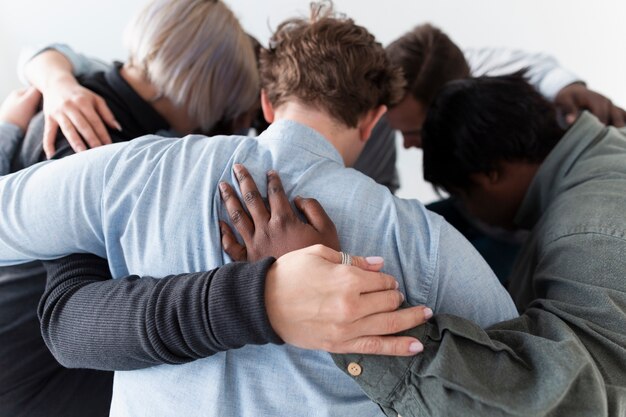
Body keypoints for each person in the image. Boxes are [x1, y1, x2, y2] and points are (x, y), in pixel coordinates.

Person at [0, 3, 518, 416]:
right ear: (373, 119)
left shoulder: (136, 168)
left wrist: (12, 124)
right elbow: (522, 382)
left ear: (266, 102)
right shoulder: (424, 240)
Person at [0, 87, 428, 416]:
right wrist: (264, 297)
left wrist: (44, 83)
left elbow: (66, 323)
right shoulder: (415, 233)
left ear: (265, 103)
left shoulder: (115, 158)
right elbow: (67, 326)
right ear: (373, 120)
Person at [331, 74, 626, 416]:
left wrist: (344, 303)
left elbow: (576, 401)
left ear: (490, 175)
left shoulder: (586, 230)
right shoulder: (608, 151)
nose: (467, 211)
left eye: (462, 196)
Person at [384, 23, 625, 282]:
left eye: (414, 132)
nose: (407, 144)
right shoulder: (430, 80)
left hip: (511, 234)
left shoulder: (580, 233)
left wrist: (568, 87)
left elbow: (549, 76)